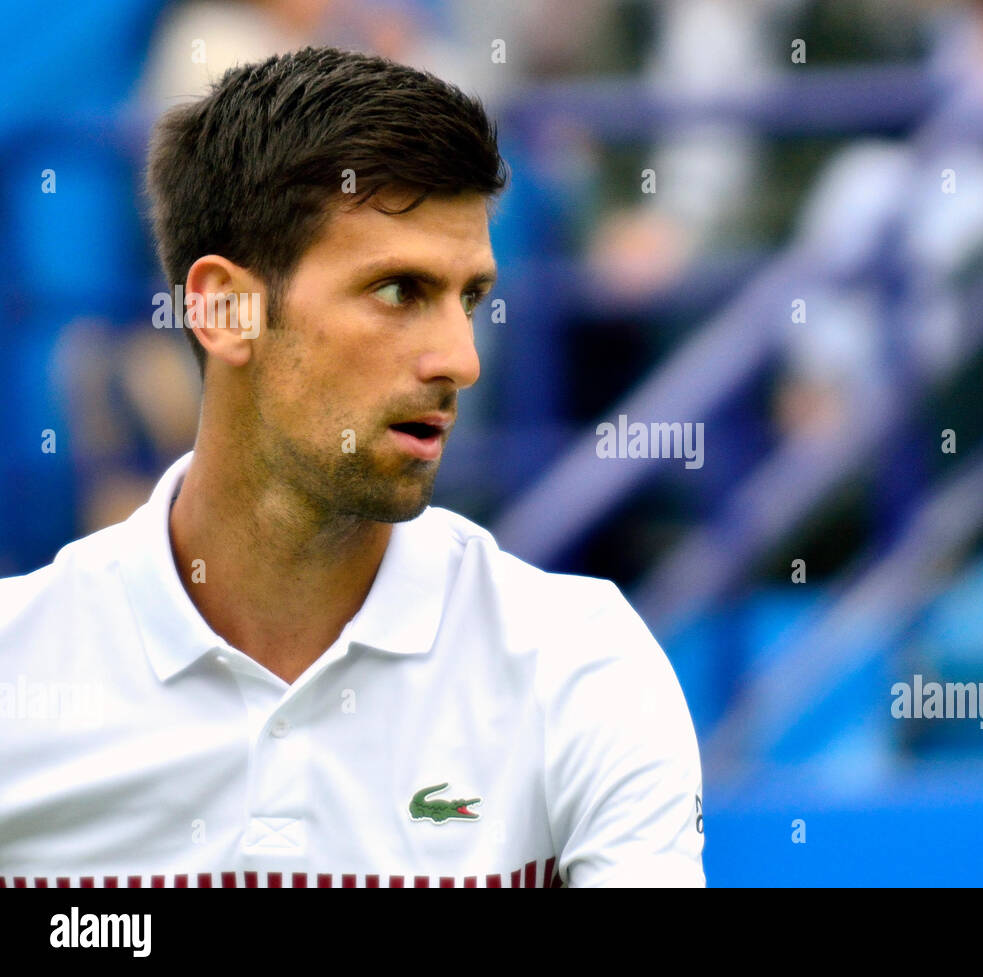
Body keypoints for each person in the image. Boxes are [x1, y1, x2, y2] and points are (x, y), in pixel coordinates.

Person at [0, 47, 705, 888]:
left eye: (469, 298)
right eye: (399, 291)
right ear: (224, 308)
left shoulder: (585, 666)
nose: (460, 359)